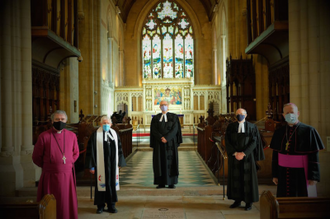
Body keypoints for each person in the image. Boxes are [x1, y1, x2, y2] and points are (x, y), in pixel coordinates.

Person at [270, 103, 324, 197]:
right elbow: (275, 155)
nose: (290, 115)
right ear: (283, 115)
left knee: (302, 197)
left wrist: (313, 177)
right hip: (283, 172)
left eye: (292, 112)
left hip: (301, 174)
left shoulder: (309, 130)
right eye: (287, 113)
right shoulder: (279, 132)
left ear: (298, 113)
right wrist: (275, 174)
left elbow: (314, 156)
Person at [32, 110, 79, 219]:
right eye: (57, 119)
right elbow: (36, 157)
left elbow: (76, 153)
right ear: (52, 121)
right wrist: (48, 166)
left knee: (65, 202)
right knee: (50, 202)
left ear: (66, 121)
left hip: (67, 175)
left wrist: (68, 163)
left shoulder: (72, 136)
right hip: (50, 176)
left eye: (62, 119)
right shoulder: (44, 136)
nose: (60, 121)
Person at [225, 108, 264, 211]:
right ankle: (237, 200)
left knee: (248, 179)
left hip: (248, 157)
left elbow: (254, 142)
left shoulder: (252, 127)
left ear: (246, 115)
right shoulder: (231, 127)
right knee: (236, 178)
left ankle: (248, 202)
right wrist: (235, 153)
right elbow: (227, 141)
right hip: (235, 157)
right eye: (238, 114)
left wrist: (244, 153)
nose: (240, 116)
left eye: (241, 114)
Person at [85, 116, 126, 214]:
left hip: (112, 165)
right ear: (100, 124)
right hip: (100, 165)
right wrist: (92, 166)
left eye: (108, 123)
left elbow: (119, 148)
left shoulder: (114, 134)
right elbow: (91, 151)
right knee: (101, 185)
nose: (106, 125)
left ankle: (111, 205)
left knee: (111, 184)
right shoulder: (95, 135)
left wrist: (120, 162)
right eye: (104, 123)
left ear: (111, 124)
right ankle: (100, 206)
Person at [150, 100, 182, 189]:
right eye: (162, 105)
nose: (164, 106)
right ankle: (161, 183)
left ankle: (171, 182)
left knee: (171, 163)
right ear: (159, 107)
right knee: (159, 163)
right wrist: (161, 138)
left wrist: (167, 138)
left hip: (170, 144)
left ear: (168, 106)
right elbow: (154, 130)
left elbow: (175, 129)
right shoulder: (156, 118)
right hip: (159, 144)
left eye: (165, 105)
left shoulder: (174, 117)